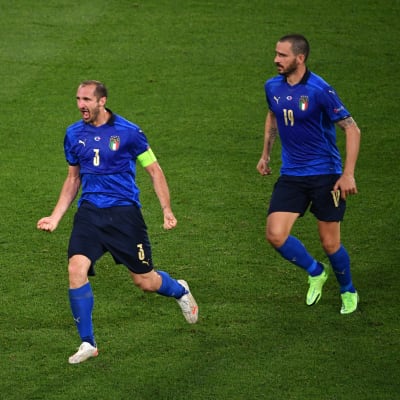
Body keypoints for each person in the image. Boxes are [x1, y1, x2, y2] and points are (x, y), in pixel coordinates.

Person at [37, 80, 198, 364]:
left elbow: (155, 171)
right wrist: (55, 216)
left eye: (86, 99)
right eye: (77, 99)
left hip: (124, 215)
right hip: (89, 213)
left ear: (102, 101)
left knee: (145, 282)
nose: (80, 105)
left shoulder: (129, 132)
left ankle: (180, 290)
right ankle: (88, 342)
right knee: (76, 267)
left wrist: (166, 209)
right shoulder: (73, 134)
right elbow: (73, 179)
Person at [257, 34, 361, 314]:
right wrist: (266, 154)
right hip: (292, 174)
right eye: (276, 54)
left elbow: (352, 129)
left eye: (282, 55)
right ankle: (316, 271)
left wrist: (347, 174)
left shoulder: (319, 90)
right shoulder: (272, 86)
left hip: (326, 175)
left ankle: (348, 289)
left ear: (299, 58)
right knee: (275, 235)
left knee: (330, 242)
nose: (276, 60)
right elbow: (273, 115)